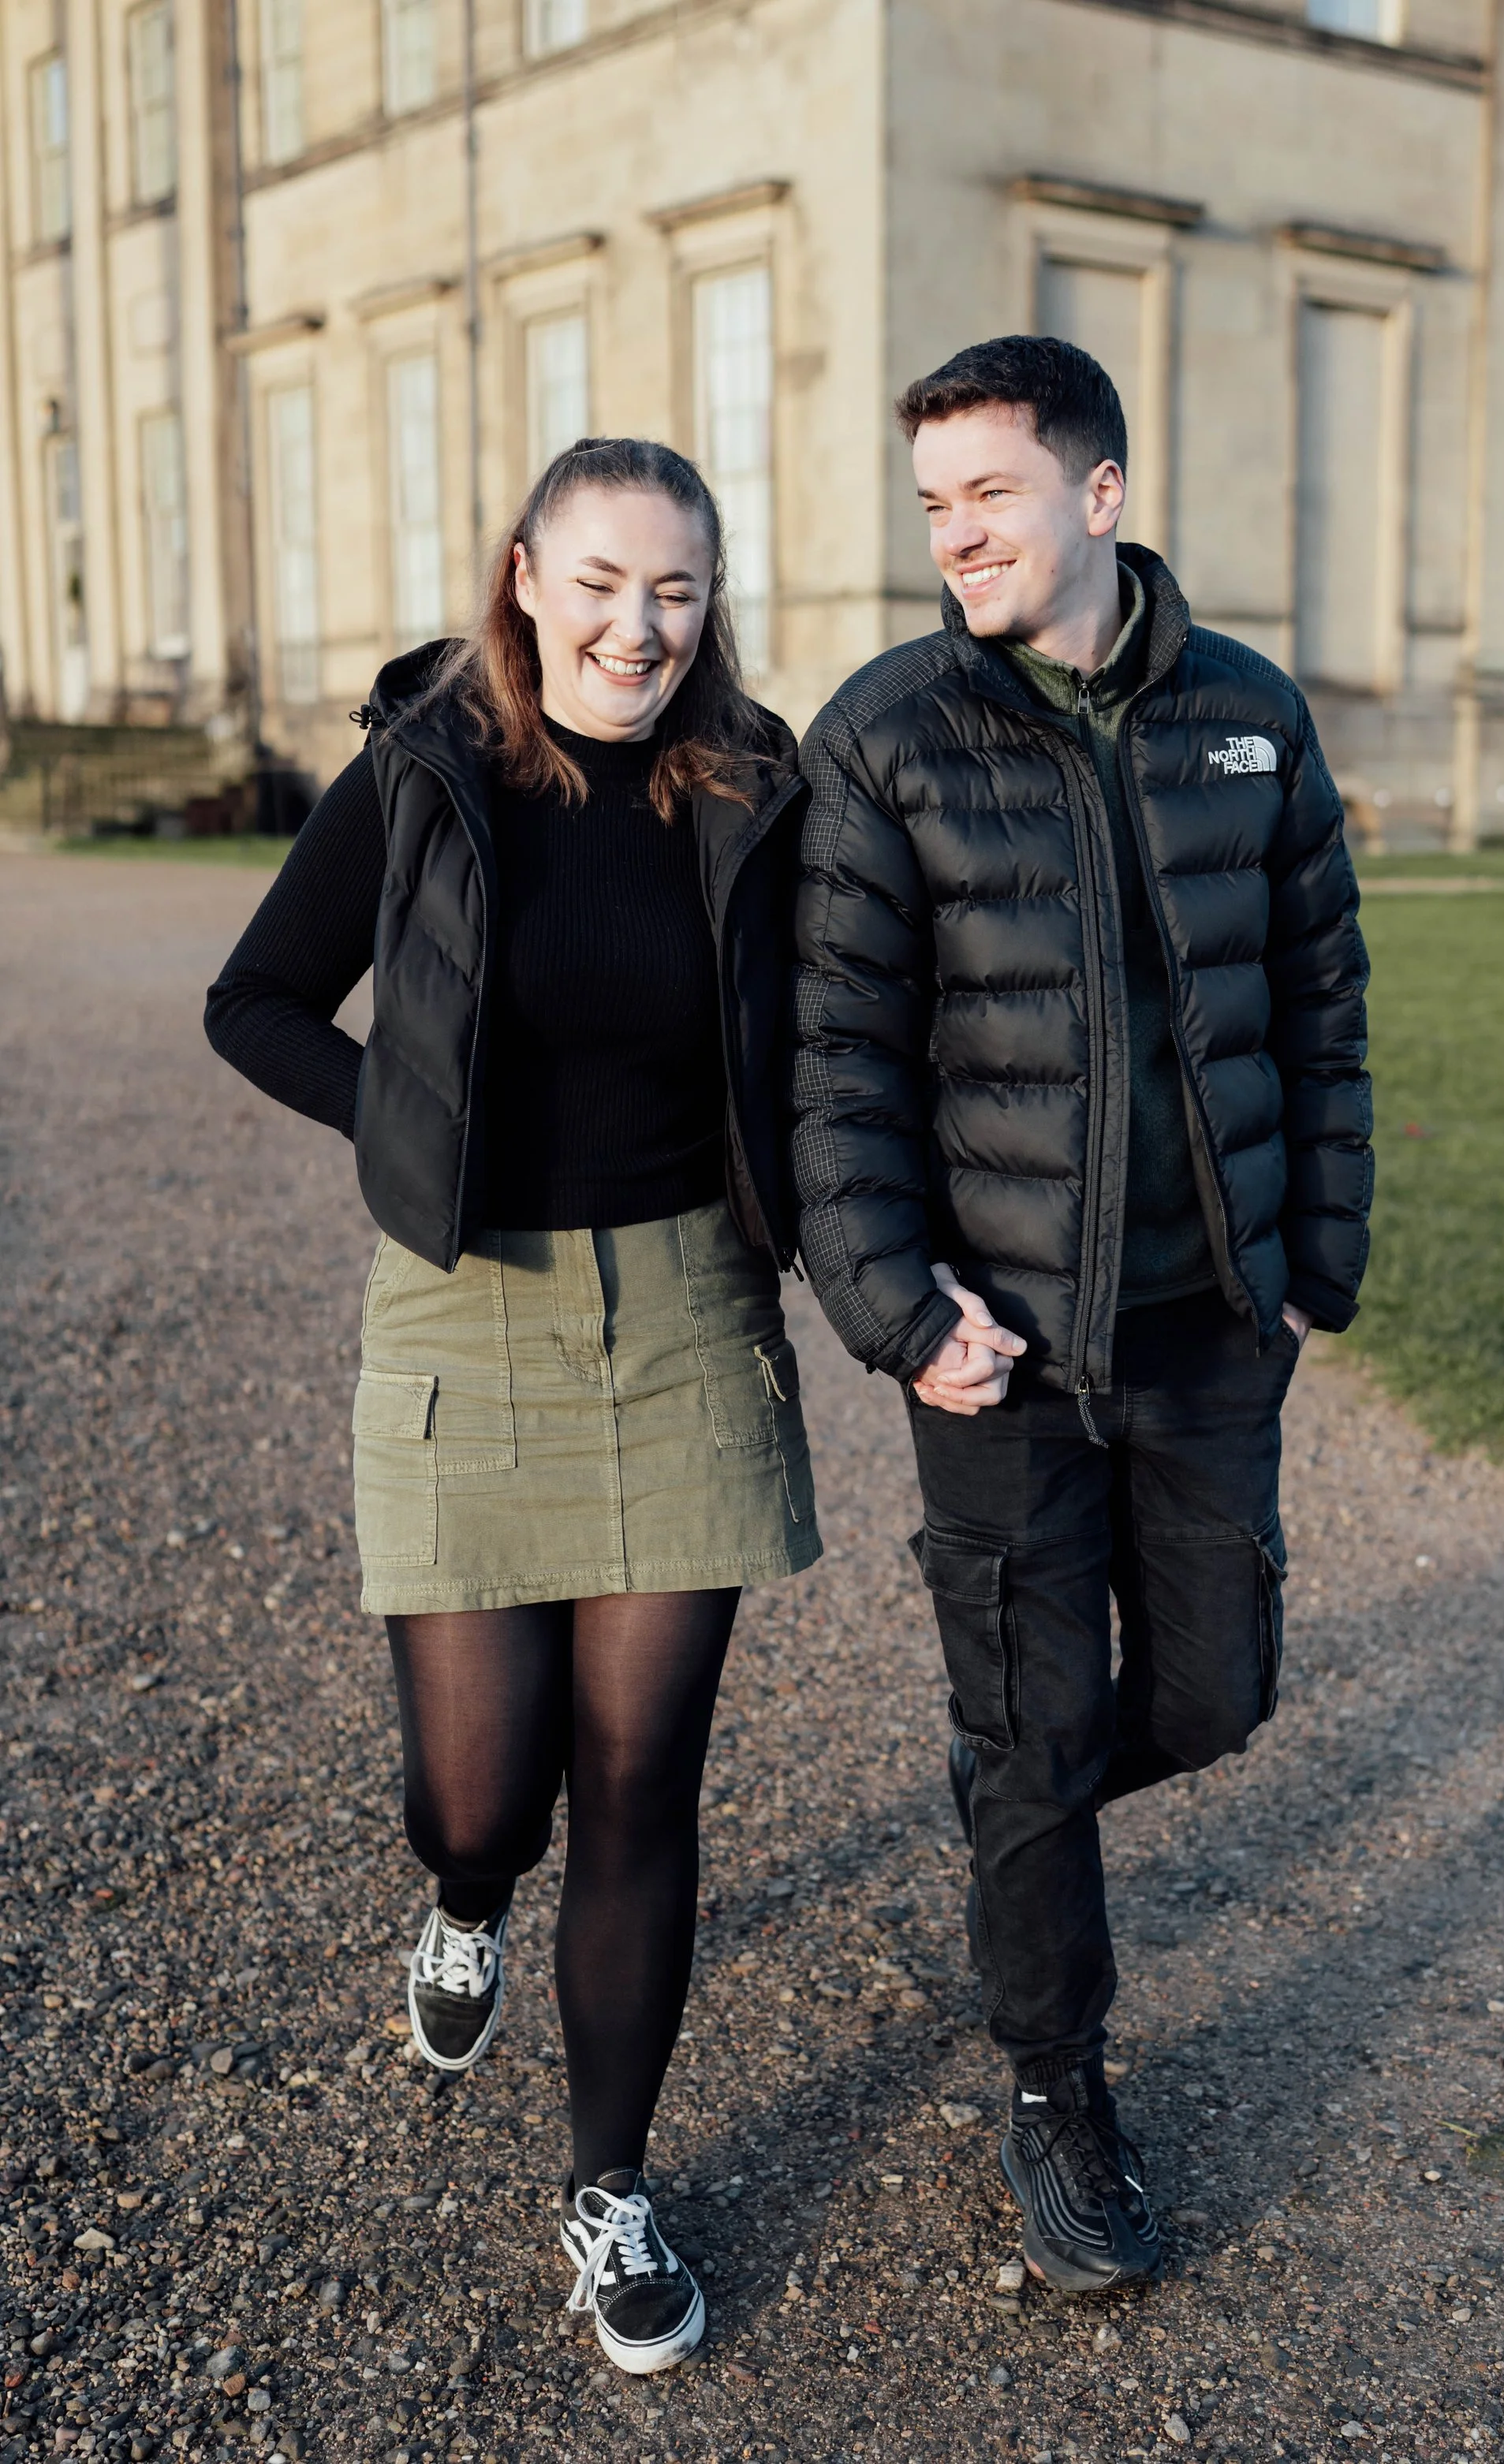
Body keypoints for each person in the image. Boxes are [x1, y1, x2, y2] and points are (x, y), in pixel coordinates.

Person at [204, 437, 819, 2374]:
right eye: (605, 581)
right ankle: (466, 1902)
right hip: (466, 1313)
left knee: (642, 1783)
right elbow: (257, 1001)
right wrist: (407, 1121)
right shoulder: (423, 775)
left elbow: (822, 1031)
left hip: (689, 1319)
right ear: (528, 576)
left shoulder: (755, 787)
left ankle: (609, 2182)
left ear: (709, 609)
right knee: (485, 1790)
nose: (639, 627)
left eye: (680, 592)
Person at [792, 337, 1372, 2295]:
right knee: (1035, 1733)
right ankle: (1057, 2086)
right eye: (934, 503)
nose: (954, 534)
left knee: (1214, 1693)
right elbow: (836, 1068)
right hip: (998, 1344)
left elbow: (1320, 1004)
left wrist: (1314, 1254)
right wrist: (895, 1306)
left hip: (1211, 1326)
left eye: (990, 496)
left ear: (1098, 496)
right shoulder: (885, 733)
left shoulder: (1247, 716)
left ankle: (1012, 1811)